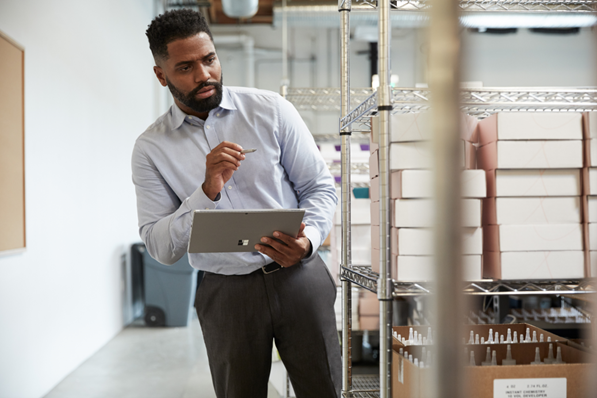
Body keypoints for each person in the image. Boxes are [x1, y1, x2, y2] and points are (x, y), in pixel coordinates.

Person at [132, 9, 341, 398]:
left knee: (324, 388)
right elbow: (160, 246)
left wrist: (309, 240)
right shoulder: (151, 149)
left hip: (299, 275)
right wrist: (206, 192)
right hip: (226, 294)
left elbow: (319, 187)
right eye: (185, 67)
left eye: (209, 59)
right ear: (161, 76)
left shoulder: (271, 110)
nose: (204, 75)